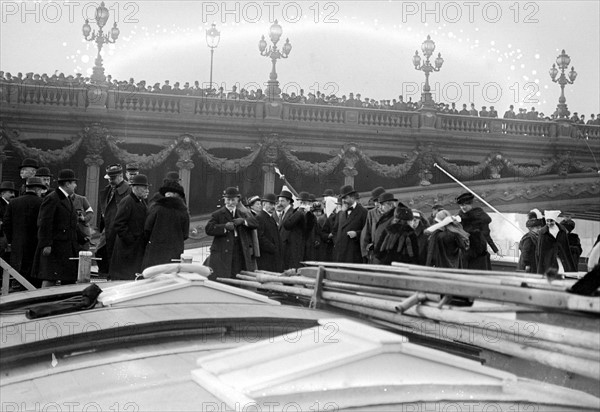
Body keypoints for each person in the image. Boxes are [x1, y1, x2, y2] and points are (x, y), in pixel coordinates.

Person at [31, 169, 81, 287]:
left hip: (66, 246)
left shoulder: (67, 198)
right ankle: (44, 301)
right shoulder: (52, 198)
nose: (75, 185)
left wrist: (82, 238)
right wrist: (46, 244)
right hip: (55, 246)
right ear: (67, 184)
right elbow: (44, 222)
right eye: (74, 182)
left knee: (67, 277)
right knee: (50, 277)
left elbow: (70, 223)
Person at [205, 187, 258, 279]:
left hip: (238, 251)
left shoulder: (242, 213)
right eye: (228, 200)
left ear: (238, 200)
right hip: (222, 251)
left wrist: (243, 221)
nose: (230, 203)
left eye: (233, 200)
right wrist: (224, 227)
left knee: (236, 276)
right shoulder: (218, 214)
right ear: (224, 200)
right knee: (223, 277)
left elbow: (255, 223)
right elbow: (209, 229)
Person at [3, 177, 46, 288]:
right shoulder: (42, 203)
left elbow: (7, 224)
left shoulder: (13, 203)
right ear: (37, 189)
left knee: (18, 275)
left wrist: (11, 240)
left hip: (18, 245)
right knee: (34, 279)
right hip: (36, 245)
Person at [109, 175, 150, 280]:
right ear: (135, 188)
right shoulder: (127, 201)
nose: (147, 190)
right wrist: (131, 240)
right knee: (124, 278)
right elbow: (119, 224)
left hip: (134, 248)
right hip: (127, 249)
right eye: (144, 188)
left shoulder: (141, 202)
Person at [143, 181, 190, 269]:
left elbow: (147, 228)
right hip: (174, 251)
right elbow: (185, 234)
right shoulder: (183, 211)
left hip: (155, 251)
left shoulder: (156, 208)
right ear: (177, 195)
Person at [98, 164, 131, 274]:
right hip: (107, 231)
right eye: (109, 179)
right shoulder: (108, 190)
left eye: (113, 178)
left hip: (119, 232)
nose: (110, 181)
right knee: (101, 253)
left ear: (121, 175)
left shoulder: (129, 191)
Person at [456, 192, 499, 270]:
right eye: (461, 205)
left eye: (465, 205)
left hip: (478, 252)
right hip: (465, 252)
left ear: (470, 204)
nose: (463, 207)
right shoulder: (459, 217)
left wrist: (495, 249)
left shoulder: (480, 216)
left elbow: (486, 234)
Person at [333, 185, 368, 263]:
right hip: (340, 255)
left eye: (345, 198)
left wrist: (356, 234)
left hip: (353, 254)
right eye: (342, 199)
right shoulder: (341, 213)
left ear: (352, 198)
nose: (343, 201)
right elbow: (335, 231)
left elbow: (367, 232)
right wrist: (337, 243)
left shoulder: (363, 212)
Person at [537, 210, 576, 275]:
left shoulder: (562, 230)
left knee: (564, 274)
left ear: (555, 220)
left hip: (561, 258)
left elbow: (566, 248)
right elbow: (540, 251)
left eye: (551, 221)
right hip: (549, 260)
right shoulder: (543, 232)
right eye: (547, 221)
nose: (549, 223)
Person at [277, 189, 306, 270]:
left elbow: (288, 225)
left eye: (282, 201)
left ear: (288, 201)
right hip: (284, 249)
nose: (280, 203)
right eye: (279, 201)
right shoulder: (282, 213)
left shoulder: (294, 213)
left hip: (291, 250)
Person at [255, 193, 283, 272]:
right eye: (271, 204)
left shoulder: (270, 217)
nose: (273, 206)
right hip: (266, 257)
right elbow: (260, 237)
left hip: (272, 256)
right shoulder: (260, 217)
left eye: (274, 204)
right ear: (264, 204)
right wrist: (273, 248)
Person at [360, 186, 386, 263]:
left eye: (378, 201)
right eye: (375, 201)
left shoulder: (394, 212)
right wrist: (365, 253)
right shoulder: (371, 213)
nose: (376, 204)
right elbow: (365, 234)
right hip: (375, 253)